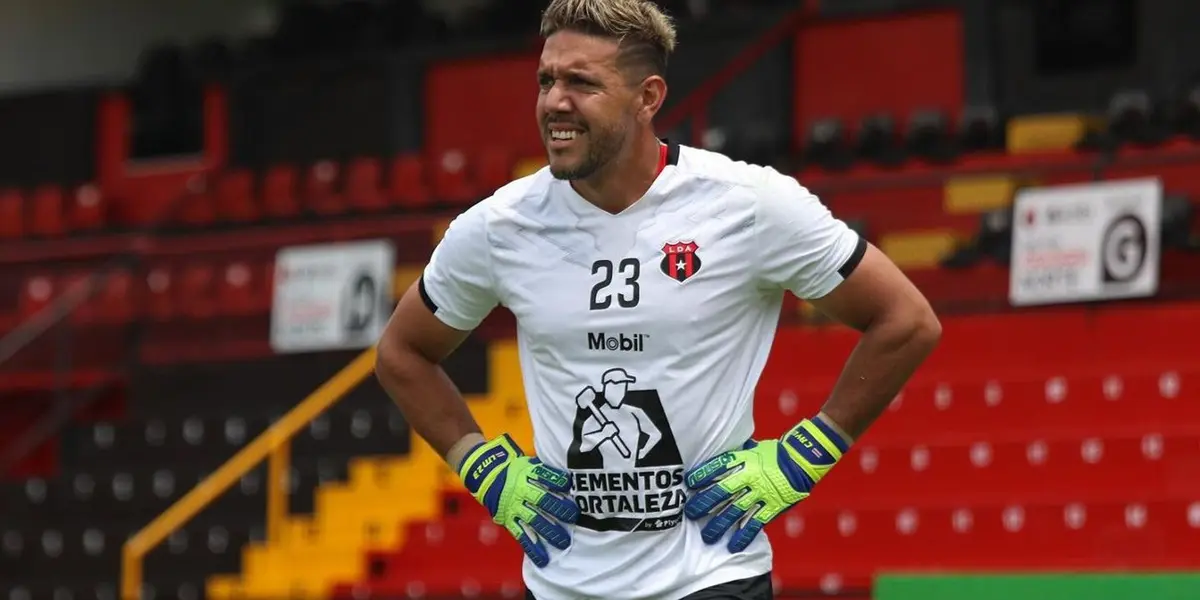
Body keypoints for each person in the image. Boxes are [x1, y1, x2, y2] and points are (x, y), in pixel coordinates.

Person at [374, 0, 942, 598]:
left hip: (712, 574)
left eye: (581, 83)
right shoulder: (499, 226)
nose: (554, 103)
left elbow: (905, 320)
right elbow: (402, 353)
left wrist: (805, 454)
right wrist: (481, 466)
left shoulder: (748, 204)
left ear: (648, 97)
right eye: (546, 80)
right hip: (562, 582)